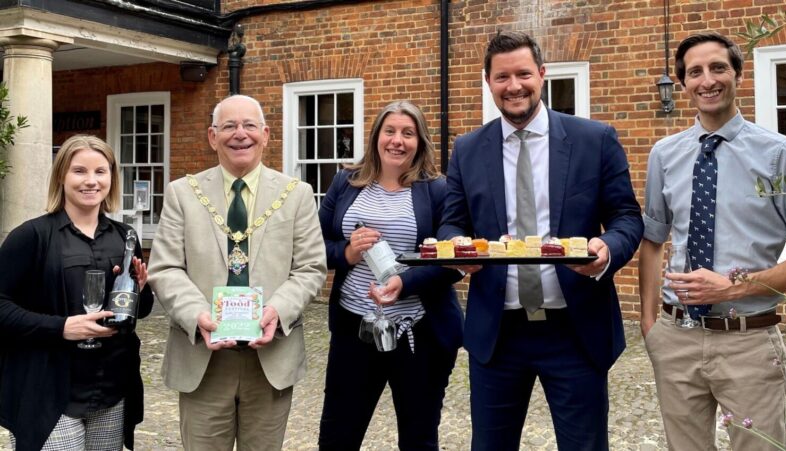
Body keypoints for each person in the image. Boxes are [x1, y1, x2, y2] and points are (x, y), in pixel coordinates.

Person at [438, 31, 644, 450]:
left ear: (542, 74)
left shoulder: (594, 139)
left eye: (523, 74)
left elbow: (626, 217)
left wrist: (608, 251)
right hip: (498, 333)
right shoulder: (468, 149)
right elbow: (450, 224)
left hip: (575, 328)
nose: (514, 86)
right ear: (488, 81)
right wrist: (459, 250)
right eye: (502, 77)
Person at [639, 31, 786, 450]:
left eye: (718, 68)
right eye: (695, 72)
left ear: (738, 75)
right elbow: (653, 239)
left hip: (748, 340)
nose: (707, 80)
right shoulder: (664, 154)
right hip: (677, 337)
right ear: (684, 83)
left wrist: (734, 286)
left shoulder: (781, 156)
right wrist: (650, 323)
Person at [147, 94, 326, 450]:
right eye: (229, 126)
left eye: (249, 125)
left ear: (266, 134)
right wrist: (196, 315)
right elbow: (165, 267)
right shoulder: (183, 193)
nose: (239, 134)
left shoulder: (297, 195)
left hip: (270, 357)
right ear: (213, 137)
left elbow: (310, 268)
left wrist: (277, 310)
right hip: (204, 358)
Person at [317, 100, 464, 450]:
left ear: (420, 141)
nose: (397, 140)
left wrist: (405, 283)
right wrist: (347, 253)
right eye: (390, 131)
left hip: (419, 332)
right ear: (376, 137)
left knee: (418, 439)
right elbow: (313, 245)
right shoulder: (345, 182)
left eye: (408, 133)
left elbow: (449, 262)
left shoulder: (438, 190)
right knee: (338, 436)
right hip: (355, 329)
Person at [0, 134, 153, 450]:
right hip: (49, 390)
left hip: (110, 388)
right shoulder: (32, 236)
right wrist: (62, 327)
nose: (91, 181)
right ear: (61, 177)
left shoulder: (126, 237)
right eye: (80, 171)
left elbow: (140, 310)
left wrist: (141, 289)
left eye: (101, 171)